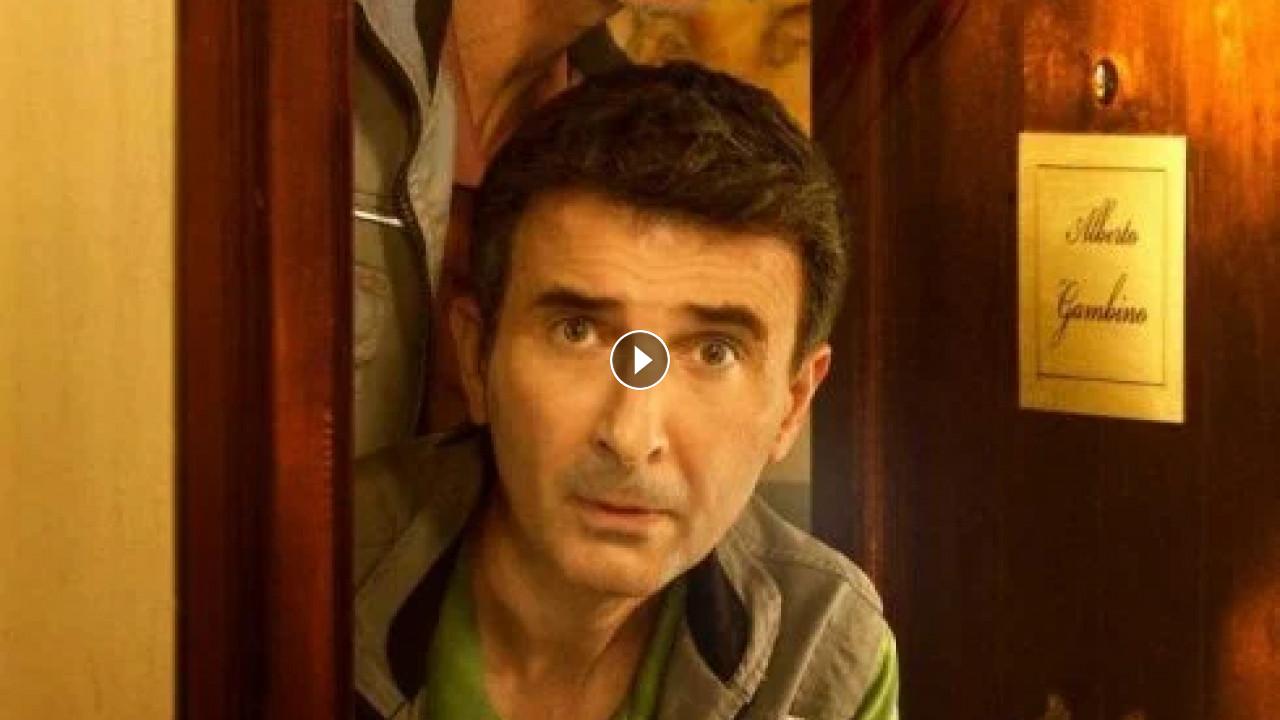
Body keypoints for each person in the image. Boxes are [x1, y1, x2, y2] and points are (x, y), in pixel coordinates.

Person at [353, 62, 898, 719]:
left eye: (714, 352)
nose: (631, 437)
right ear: (475, 358)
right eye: (577, 332)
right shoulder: (308, 571)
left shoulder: (824, 653)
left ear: (793, 404)